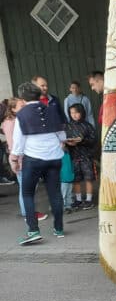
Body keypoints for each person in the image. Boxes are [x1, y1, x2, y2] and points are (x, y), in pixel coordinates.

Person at [9, 82, 66, 244]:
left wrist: (14, 159)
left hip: (33, 159)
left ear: (22, 98)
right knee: (55, 193)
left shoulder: (22, 114)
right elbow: (62, 135)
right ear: (39, 95)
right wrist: (58, 144)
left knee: (27, 193)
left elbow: (19, 141)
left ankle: (33, 230)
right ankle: (59, 228)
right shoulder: (52, 110)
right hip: (54, 157)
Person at [1, 98, 48, 221]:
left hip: (21, 157)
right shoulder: (12, 122)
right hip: (21, 158)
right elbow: (14, 144)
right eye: (21, 106)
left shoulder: (12, 121)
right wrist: (16, 160)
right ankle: (29, 213)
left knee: (26, 187)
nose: (24, 108)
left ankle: (27, 212)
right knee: (27, 188)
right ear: (13, 109)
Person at [65, 104, 97, 210]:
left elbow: (93, 140)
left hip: (86, 156)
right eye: (71, 113)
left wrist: (82, 141)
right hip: (73, 156)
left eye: (76, 112)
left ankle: (89, 199)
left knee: (88, 178)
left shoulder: (87, 126)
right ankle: (78, 200)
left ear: (82, 113)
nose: (74, 115)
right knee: (76, 179)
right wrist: (68, 143)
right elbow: (63, 139)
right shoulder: (67, 126)